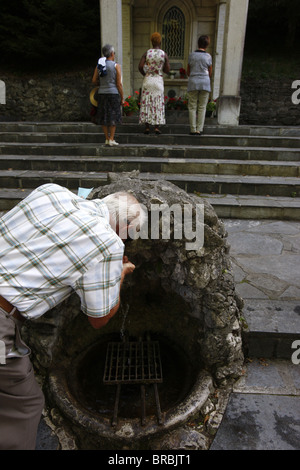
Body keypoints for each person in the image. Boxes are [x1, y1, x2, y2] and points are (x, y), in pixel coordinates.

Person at [0, 183, 146, 450]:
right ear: (124, 228)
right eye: (130, 234)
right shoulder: (108, 242)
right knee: (25, 404)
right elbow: (99, 318)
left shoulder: (50, 191)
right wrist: (120, 273)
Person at [92, 44, 124, 146]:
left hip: (102, 93)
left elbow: (94, 80)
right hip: (113, 93)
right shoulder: (116, 66)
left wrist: (101, 84)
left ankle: (106, 138)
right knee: (113, 115)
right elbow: (118, 84)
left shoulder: (100, 65)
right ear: (111, 53)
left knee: (104, 115)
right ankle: (111, 138)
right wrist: (122, 97)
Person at [138, 32, 170, 135]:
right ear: (160, 41)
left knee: (147, 102)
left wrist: (145, 74)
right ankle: (156, 127)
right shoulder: (163, 54)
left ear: (151, 41)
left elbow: (140, 66)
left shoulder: (147, 53)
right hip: (158, 80)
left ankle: (147, 127)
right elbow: (167, 70)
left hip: (148, 80)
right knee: (157, 103)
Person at [187, 35, 212, 135]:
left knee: (192, 106)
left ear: (198, 43)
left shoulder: (191, 55)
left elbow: (188, 70)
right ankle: (199, 128)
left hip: (193, 81)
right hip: (205, 82)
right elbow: (210, 71)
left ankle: (193, 129)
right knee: (202, 106)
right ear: (207, 45)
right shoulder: (208, 56)